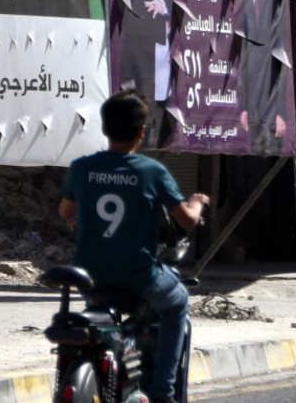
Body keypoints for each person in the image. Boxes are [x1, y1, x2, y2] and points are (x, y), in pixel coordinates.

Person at [60, 91, 210, 403]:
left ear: (104, 129)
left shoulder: (81, 168)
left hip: (91, 277)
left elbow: (65, 210)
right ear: (142, 131)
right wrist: (197, 203)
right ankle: (163, 392)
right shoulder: (151, 171)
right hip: (139, 276)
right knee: (178, 301)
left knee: (98, 309)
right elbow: (186, 221)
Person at [236, 0, 292, 157]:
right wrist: (243, 105)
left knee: (270, 163)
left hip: (272, 101)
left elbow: (283, 49)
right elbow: (244, 48)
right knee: (249, 166)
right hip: (253, 104)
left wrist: (281, 110)